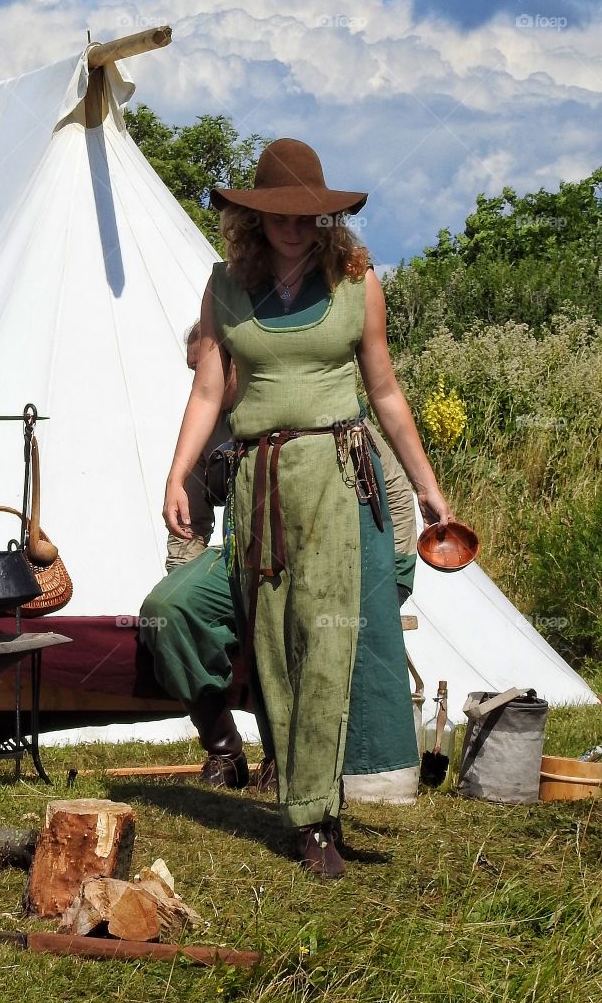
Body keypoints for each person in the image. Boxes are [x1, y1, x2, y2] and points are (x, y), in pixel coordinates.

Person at [162, 137, 452, 879]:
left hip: (335, 473)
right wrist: (178, 473)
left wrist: (425, 484)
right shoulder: (225, 286)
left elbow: (384, 390)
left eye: (307, 217)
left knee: (326, 643)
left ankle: (321, 819)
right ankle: (299, 803)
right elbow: (207, 392)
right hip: (257, 482)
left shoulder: (357, 283)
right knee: (273, 648)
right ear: (254, 219)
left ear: (327, 219)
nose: (293, 228)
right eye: (278, 216)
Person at [142, 424, 419, 794]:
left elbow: (393, 491)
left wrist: (395, 573)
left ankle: (287, 761)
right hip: (242, 556)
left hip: (324, 555)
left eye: (205, 365)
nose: (199, 370)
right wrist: (183, 577)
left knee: (294, 623)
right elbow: (189, 515)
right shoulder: (207, 423)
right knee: (170, 607)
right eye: (195, 366)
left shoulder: (315, 394)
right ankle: (224, 751)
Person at [165, 323, 236, 572]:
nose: (199, 379)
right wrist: (178, 584)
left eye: (203, 367)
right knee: (165, 603)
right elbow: (189, 524)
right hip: (238, 563)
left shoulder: (277, 410)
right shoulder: (203, 429)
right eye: (194, 369)